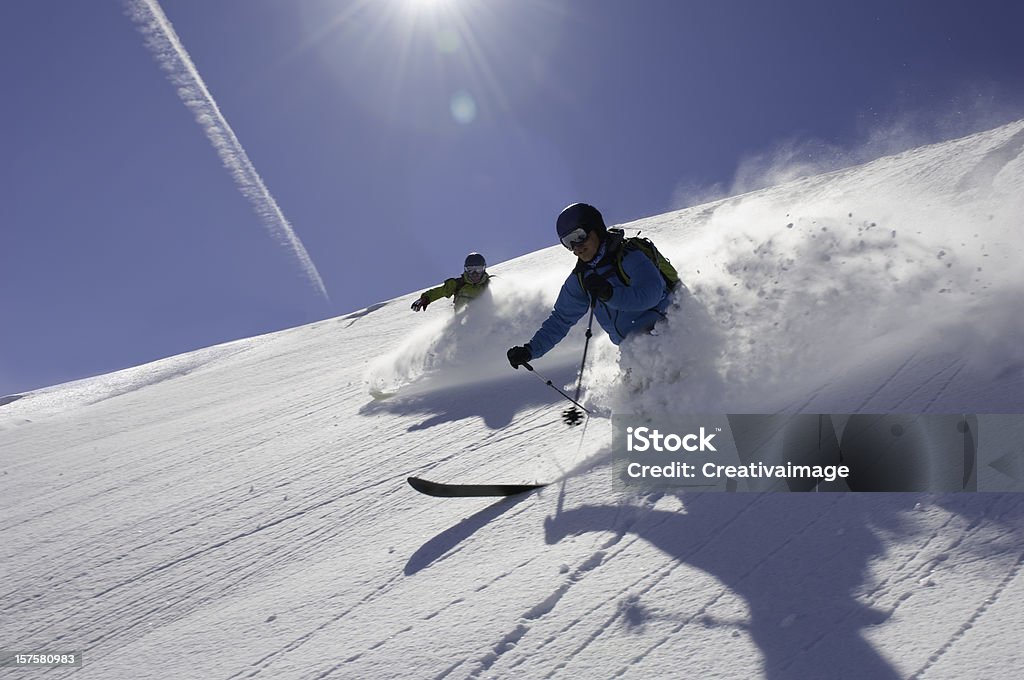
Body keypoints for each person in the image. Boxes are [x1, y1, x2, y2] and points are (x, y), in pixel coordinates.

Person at [507, 203, 674, 369]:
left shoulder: (629, 256)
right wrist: (530, 350)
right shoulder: (580, 279)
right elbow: (560, 320)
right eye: (568, 242)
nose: (576, 247)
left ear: (596, 229)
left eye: (579, 236)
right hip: (633, 352)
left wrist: (610, 294)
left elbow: (651, 294)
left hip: (667, 336)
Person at [411, 252, 491, 312]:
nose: (475, 274)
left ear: (484, 269)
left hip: (484, 321)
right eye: (470, 270)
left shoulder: (488, 284)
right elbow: (440, 291)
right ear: (466, 270)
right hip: (462, 324)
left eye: (478, 269)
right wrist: (426, 298)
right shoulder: (458, 284)